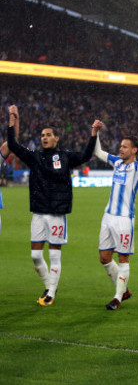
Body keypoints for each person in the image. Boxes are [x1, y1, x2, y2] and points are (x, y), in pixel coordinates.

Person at [7, 104, 98, 306]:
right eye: (42, 135)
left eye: (48, 134)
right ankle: (49, 285)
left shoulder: (65, 156)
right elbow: (12, 145)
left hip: (57, 213)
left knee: (54, 255)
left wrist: (93, 134)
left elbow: (85, 155)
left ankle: (51, 293)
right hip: (39, 213)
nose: (44, 137)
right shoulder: (34, 157)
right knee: (35, 256)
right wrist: (12, 120)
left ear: (57, 138)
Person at [93, 120, 138, 310]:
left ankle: (118, 297)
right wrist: (94, 132)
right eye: (120, 146)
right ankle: (124, 291)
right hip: (108, 217)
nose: (120, 149)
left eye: (125, 147)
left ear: (134, 150)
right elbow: (97, 152)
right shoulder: (117, 163)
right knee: (104, 258)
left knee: (123, 258)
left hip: (124, 219)